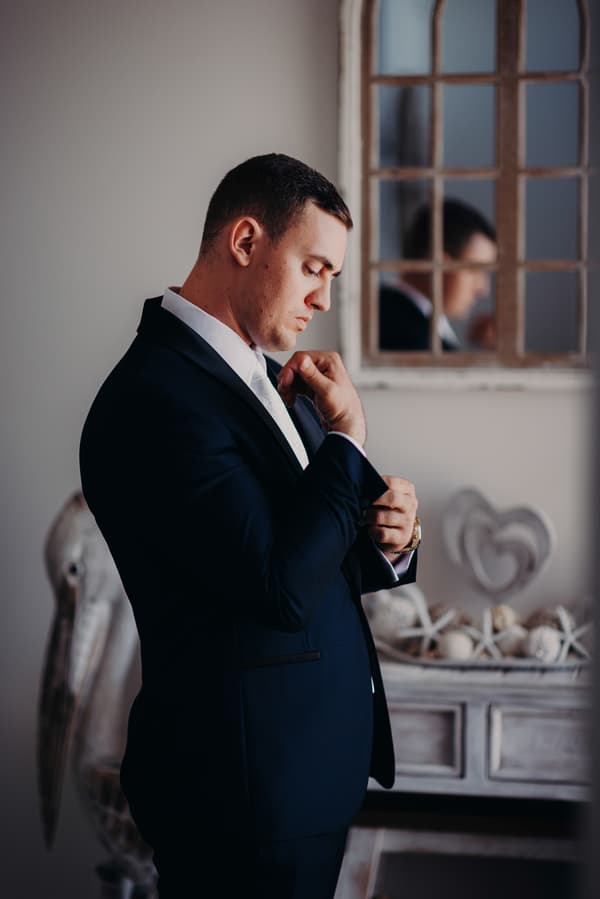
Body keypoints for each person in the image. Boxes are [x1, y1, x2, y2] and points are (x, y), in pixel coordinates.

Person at [79, 153, 420, 899]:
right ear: (244, 241)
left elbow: (313, 549)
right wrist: (349, 439)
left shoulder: (269, 379)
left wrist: (389, 536)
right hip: (241, 802)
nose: (323, 298)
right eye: (314, 268)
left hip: (301, 781)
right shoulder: (154, 398)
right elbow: (278, 586)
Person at [379, 198, 497, 351]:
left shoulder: (381, 309)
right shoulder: (411, 338)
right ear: (440, 263)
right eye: (475, 271)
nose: (483, 289)